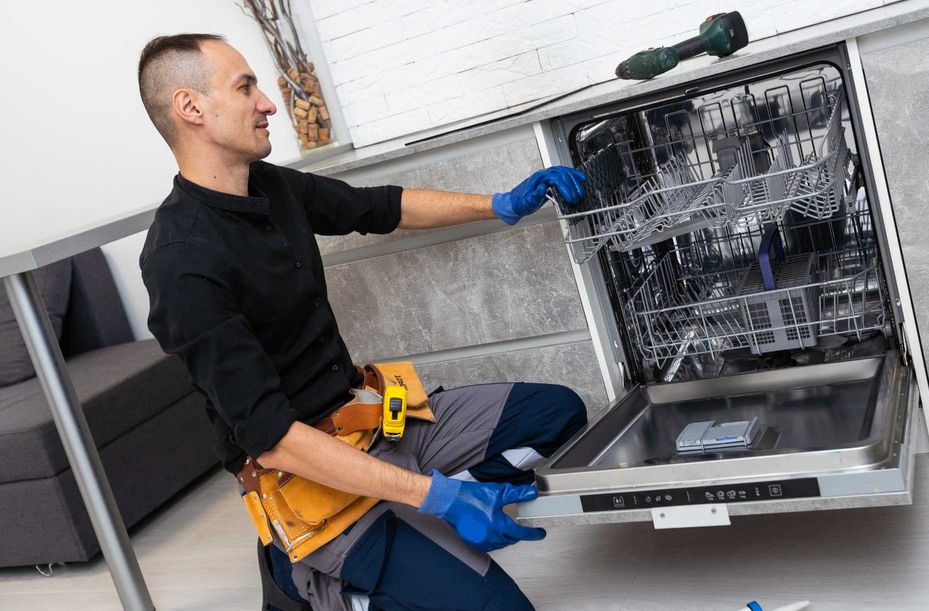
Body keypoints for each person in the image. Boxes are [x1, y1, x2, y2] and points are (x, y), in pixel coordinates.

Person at [136, 33, 589, 610]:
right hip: (306, 469)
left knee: (557, 414)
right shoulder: (181, 261)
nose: (267, 103)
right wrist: (441, 498)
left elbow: (379, 207)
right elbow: (274, 441)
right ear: (191, 107)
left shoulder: (271, 185)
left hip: (370, 422)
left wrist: (500, 204)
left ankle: (410, 518)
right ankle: (308, 578)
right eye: (245, 87)